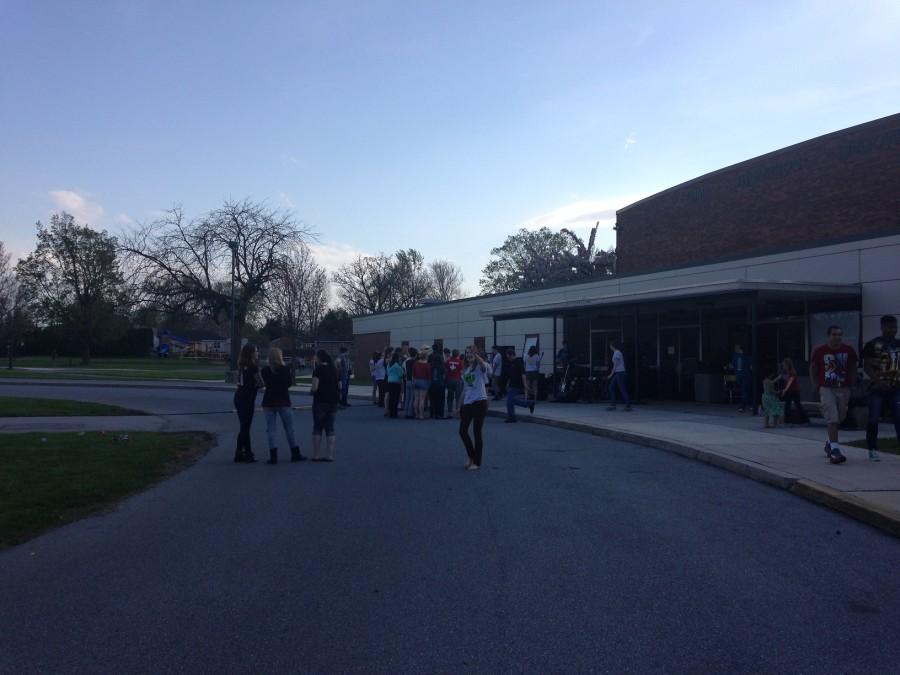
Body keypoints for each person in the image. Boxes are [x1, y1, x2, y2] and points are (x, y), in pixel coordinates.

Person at [809, 325, 858, 464]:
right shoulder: (820, 351)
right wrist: (816, 384)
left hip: (844, 388)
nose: (838, 337)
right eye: (835, 334)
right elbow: (813, 368)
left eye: (840, 334)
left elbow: (853, 367)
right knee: (833, 418)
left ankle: (829, 443)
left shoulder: (848, 350)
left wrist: (852, 384)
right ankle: (835, 451)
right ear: (828, 335)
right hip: (826, 388)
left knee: (840, 417)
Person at [863, 315, 900, 462]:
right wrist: (878, 381)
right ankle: (872, 449)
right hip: (877, 388)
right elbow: (867, 367)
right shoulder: (873, 344)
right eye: (891, 327)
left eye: (895, 327)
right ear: (883, 327)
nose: (894, 330)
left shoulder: (899, 344)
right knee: (874, 418)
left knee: (899, 418)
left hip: (896, 387)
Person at [261, 346, 306, 464]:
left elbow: (263, 384)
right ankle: (295, 452)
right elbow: (289, 384)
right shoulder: (284, 370)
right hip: (283, 401)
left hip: (269, 401)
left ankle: (273, 455)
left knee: (271, 430)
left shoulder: (265, 371)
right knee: (289, 429)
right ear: (280, 356)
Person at [459, 346, 492, 470]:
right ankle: (471, 456)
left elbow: (484, 366)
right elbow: (465, 390)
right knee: (462, 431)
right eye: (467, 353)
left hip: (480, 402)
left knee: (477, 432)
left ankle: (477, 462)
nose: (469, 355)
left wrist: (476, 355)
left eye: (471, 353)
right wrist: (459, 406)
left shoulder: (480, 367)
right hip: (468, 403)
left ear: (476, 354)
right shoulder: (465, 371)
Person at [233, 343, 263, 463]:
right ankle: (247, 453)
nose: (257, 353)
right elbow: (260, 383)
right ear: (251, 353)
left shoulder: (241, 365)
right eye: (256, 351)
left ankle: (239, 453)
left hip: (238, 397)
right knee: (245, 427)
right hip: (247, 399)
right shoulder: (253, 367)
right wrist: (254, 386)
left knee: (244, 426)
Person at [310, 349, 340, 462]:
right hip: (333, 401)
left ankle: (316, 455)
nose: (314, 358)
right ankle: (330, 455)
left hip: (320, 401)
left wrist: (311, 391)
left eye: (316, 356)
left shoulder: (318, 369)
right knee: (330, 428)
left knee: (317, 427)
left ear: (319, 357)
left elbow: (315, 387)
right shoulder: (334, 369)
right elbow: (339, 385)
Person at [504, 348, 533, 422]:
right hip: (512, 384)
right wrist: (507, 383)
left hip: (517, 384)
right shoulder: (510, 363)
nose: (508, 359)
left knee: (509, 401)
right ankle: (529, 403)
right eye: (507, 357)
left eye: (509, 357)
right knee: (512, 400)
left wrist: (525, 384)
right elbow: (510, 375)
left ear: (512, 355)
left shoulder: (518, 362)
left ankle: (512, 417)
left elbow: (523, 374)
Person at [778, 357, 808, 425]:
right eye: (783, 365)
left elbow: (790, 382)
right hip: (788, 391)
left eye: (784, 365)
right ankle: (787, 420)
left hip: (795, 391)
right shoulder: (784, 372)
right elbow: (780, 377)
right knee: (787, 405)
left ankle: (805, 419)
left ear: (788, 365)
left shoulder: (792, 372)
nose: (783, 366)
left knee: (798, 404)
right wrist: (772, 381)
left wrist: (785, 390)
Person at [606, 340, 631, 411]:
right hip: (618, 373)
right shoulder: (616, 352)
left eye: (610, 346)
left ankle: (628, 406)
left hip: (620, 373)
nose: (609, 347)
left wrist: (611, 374)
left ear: (612, 346)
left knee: (622, 389)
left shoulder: (617, 353)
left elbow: (615, 365)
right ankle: (613, 405)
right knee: (611, 387)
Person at [412, 350, 431, 420]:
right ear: (426, 357)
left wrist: (414, 381)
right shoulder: (427, 365)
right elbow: (429, 375)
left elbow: (413, 374)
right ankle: (421, 415)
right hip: (424, 381)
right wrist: (429, 383)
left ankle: (416, 414)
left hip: (416, 380)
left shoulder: (415, 363)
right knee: (422, 399)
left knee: (416, 399)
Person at [732, 344, 752, 412]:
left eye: (737, 348)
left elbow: (750, 365)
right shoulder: (735, 356)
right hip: (739, 375)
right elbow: (733, 364)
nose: (735, 349)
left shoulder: (745, 356)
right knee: (744, 391)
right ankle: (749, 403)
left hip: (745, 376)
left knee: (744, 390)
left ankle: (742, 406)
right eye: (735, 348)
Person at [445, 348, 463, 418]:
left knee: (450, 397)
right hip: (457, 380)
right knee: (458, 397)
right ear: (458, 354)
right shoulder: (460, 361)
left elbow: (446, 371)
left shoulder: (448, 361)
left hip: (449, 380)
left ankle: (449, 412)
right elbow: (461, 372)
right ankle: (457, 413)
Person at [429, 348, 447, 419]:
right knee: (440, 400)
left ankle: (432, 413)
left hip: (432, 384)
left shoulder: (431, 366)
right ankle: (440, 414)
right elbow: (444, 376)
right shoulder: (442, 367)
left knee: (432, 400)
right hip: (440, 384)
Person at [386, 353, 404, 418]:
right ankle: (394, 413)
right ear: (397, 358)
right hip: (396, 383)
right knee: (395, 398)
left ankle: (390, 412)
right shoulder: (397, 365)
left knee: (391, 398)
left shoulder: (389, 364)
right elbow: (400, 374)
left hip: (390, 382)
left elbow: (387, 373)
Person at [403, 347, 418, 419]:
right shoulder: (414, 362)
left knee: (407, 397)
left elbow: (406, 372)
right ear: (415, 354)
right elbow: (414, 373)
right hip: (412, 380)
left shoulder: (407, 361)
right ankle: (410, 413)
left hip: (407, 380)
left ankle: (406, 412)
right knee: (412, 397)